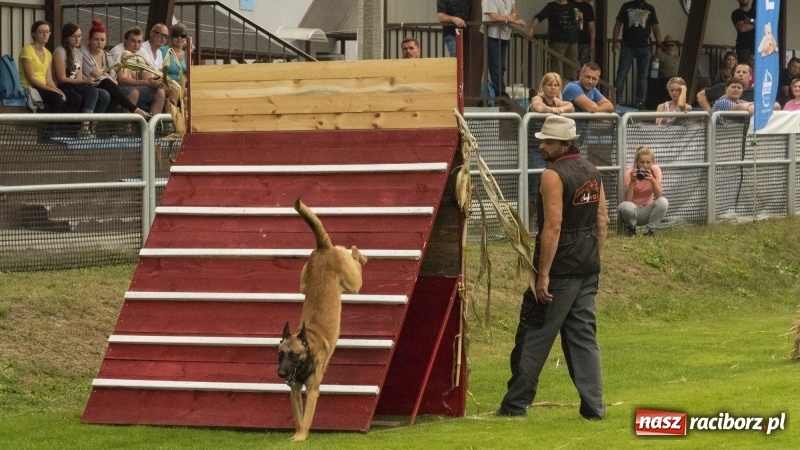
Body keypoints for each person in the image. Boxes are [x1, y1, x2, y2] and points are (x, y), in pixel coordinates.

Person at [496, 115, 609, 420]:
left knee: (534, 333)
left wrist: (543, 274)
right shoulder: (592, 170)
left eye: (548, 141)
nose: (542, 146)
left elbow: (553, 227)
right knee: (583, 337)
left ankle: (514, 405)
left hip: (560, 267)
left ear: (565, 143)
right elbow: (602, 221)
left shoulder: (552, 175)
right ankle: (594, 407)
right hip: (587, 264)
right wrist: (593, 258)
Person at [81, 19, 150, 119]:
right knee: (107, 86)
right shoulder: (83, 53)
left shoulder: (107, 56)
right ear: (89, 40)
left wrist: (104, 74)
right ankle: (135, 110)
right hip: (87, 85)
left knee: (109, 88)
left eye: (102, 40)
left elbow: (114, 79)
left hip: (109, 86)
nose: (99, 43)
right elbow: (96, 77)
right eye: (96, 39)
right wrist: (106, 75)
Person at [17, 21, 82, 114]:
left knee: (75, 98)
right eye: (41, 32)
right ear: (34, 34)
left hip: (44, 86)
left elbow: (49, 80)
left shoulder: (47, 53)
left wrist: (58, 90)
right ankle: (50, 124)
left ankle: (65, 123)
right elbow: (32, 79)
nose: (45, 35)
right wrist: (52, 90)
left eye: (47, 32)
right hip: (31, 87)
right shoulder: (27, 50)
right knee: (56, 98)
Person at [611, 0, 662, 109]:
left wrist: (659, 44)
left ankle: (640, 102)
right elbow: (618, 24)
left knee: (643, 76)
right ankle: (616, 101)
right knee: (622, 74)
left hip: (645, 47)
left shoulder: (650, 8)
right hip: (628, 46)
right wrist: (614, 42)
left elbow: (655, 27)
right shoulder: (626, 6)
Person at [52, 22, 108, 116]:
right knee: (91, 92)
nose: (77, 39)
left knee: (104, 95)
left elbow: (77, 77)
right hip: (61, 86)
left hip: (73, 85)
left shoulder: (78, 53)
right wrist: (85, 81)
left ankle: (95, 123)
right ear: (67, 37)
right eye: (74, 36)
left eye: (79, 36)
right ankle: (85, 122)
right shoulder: (60, 51)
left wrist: (88, 81)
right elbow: (62, 79)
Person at [110, 26, 166, 116]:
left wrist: (155, 82)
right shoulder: (118, 52)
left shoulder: (142, 52)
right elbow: (121, 80)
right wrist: (146, 82)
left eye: (139, 42)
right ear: (125, 40)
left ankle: (151, 123)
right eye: (133, 41)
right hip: (118, 89)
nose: (136, 45)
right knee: (134, 92)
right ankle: (127, 125)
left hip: (137, 87)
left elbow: (148, 76)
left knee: (160, 92)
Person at [618, 146, 668, 237]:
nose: (644, 165)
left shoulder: (656, 170)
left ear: (652, 162)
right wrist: (633, 181)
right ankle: (631, 229)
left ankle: (649, 231)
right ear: (636, 162)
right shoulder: (630, 173)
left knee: (663, 202)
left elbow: (659, 195)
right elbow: (627, 199)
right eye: (641, 162)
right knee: (625, 206)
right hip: (633, 211)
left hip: (647, 211)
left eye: (648, 162)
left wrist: (653, 180)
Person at [481, 0, 525, 98]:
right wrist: (512, 21)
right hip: (491, 35)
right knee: (495, 66)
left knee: (501, 66)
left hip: (504, 35)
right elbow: (494, 17)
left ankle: (500, 94)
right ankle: (501, 94)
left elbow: (514, 9)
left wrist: (512, 16)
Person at [528, 0, 580, 78]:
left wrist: (581, 18)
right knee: (556, 69)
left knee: (571, 70)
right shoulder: (552, 6)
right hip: (557, 42)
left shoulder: (573, 6)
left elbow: (577, 24)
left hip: (573, 42)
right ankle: (557, 84)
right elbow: (538, 17)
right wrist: (531, 29)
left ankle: (567, 85)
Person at [160, 23, 190, 105]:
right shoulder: (163, 51)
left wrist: (189, 53)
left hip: (180, 86)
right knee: (174, 91)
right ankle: (170, 113)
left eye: (182, 35)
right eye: (176, 35)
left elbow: (188, 75)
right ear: (171, 37)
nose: (179, 38)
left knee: (191, 92)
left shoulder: (185, 54)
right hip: (165, 84)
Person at [574, 0, 596, 68]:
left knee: (585, 65)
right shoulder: (568, 4)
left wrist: (592, 44)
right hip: (570, 40)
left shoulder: (588, 7)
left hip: (585, 40)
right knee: (571, 65)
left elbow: (591, 27)